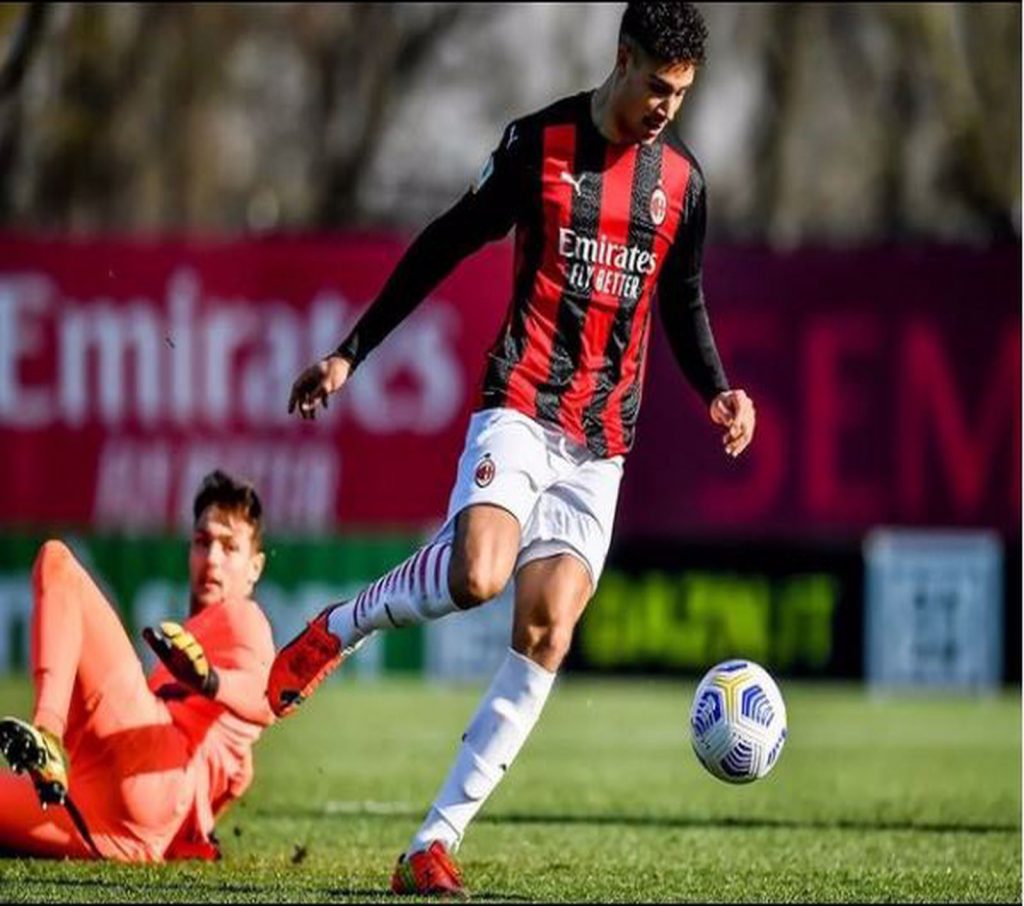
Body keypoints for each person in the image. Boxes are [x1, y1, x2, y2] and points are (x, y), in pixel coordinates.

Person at [268, 2, 756, 896]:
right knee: (478, 577)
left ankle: (431, 845)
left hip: (603, 441)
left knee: (547, 630)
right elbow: (446, 242)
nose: (665, 107)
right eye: (656, 85)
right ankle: (339, 627)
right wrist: (350, 352)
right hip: (523, 405)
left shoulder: (682, 183)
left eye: (681, 95)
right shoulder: (541, 144)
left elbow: (680, 301)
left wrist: (718, 386)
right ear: (624, 58)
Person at [0, 470, 276, 862]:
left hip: (147, 768)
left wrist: (209, 681)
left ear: (255, 567)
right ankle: (52, 757)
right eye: (202, 542)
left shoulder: (243, 618)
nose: (212, 558)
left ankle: (48, 732)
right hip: (119, 824)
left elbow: (270, 697)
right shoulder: (195, 639)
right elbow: (232, 776)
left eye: (230, 547)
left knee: (57, 561)